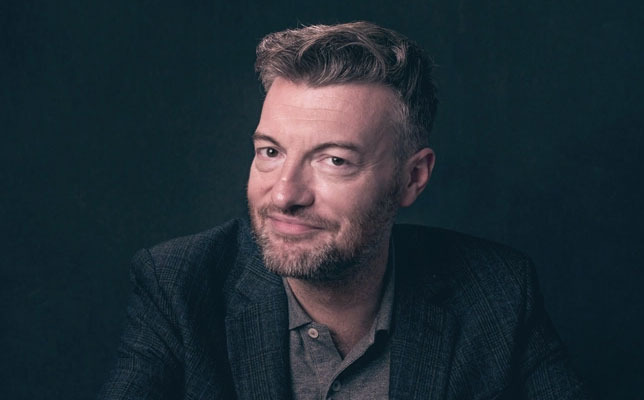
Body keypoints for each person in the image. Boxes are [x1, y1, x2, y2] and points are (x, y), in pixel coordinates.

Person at [99, 21, 589, 399]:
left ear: (412, 178)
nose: (285, 195)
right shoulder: (179, 285)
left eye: (334, 160)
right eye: (270, 152)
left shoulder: (497, 293)